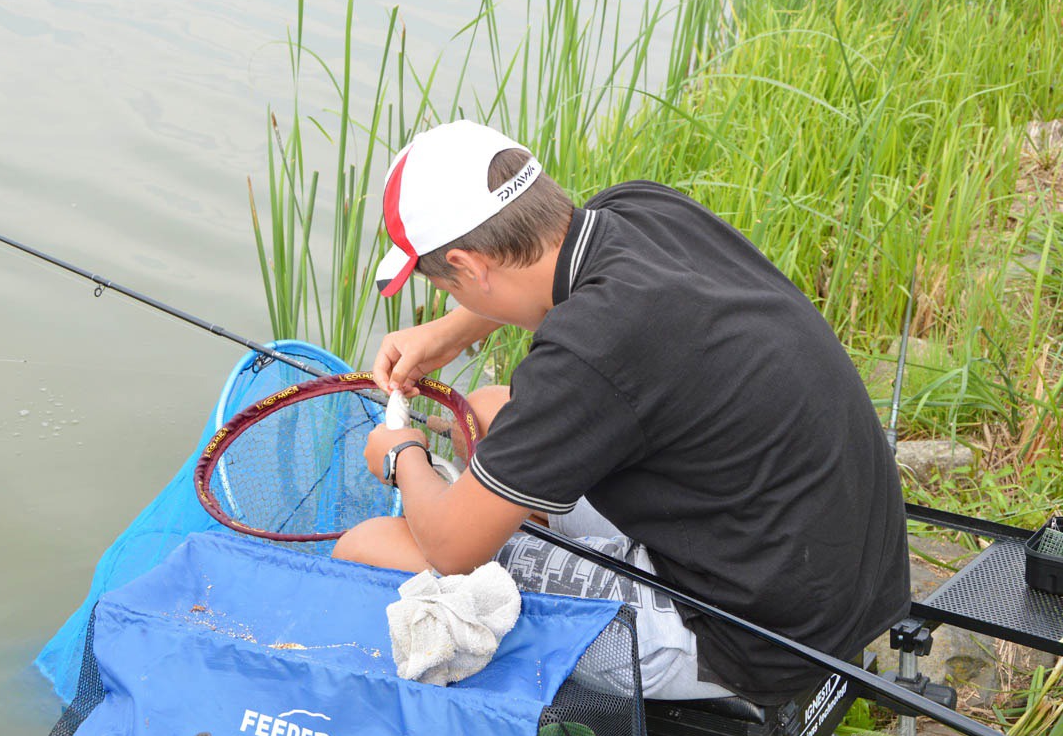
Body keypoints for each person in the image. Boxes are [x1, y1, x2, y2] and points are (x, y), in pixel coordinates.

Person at [332, 120, 909, 705]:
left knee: (369, 547)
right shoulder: (637, 209)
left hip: (753, 637)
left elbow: (451, 550)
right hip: (837, 566)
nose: (453, 301)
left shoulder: (588, 349)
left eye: (449, 288)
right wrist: (452, 331)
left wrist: (402, 454)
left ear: (470, 264)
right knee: (482, 415)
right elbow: (544, 289)